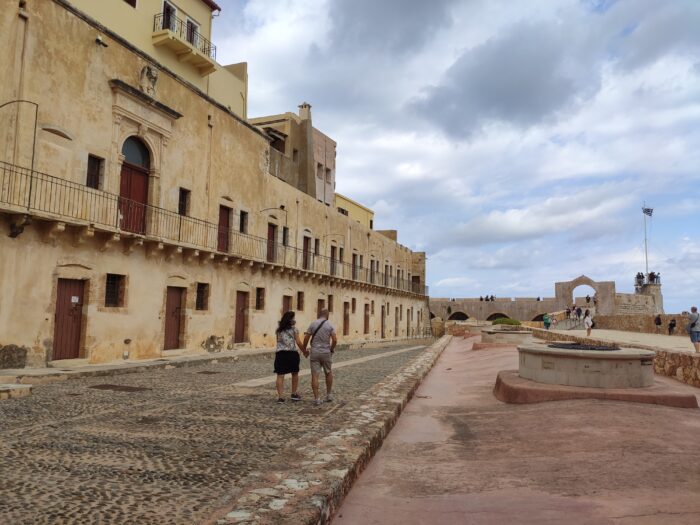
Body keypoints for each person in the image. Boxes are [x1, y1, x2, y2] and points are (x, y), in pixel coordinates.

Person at [303, 309, 338, 405]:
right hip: (326, 352)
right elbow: (334, 340)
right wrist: (331, 349)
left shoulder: (313, 324)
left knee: (315, 375)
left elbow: (306, 338)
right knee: (328, 372)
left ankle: (317, 398)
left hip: (314, 352)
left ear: (319, 315)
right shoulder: (330, 325)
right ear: (327, 316)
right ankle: (329, 395)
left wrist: (304, 349)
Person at [273, 311, 307, 404]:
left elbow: (278, 341)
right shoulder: (294, 330)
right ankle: (294, 393)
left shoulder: (278, 330)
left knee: (280, 375)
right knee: (294, 373)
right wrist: (305, 351)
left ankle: (280, 397)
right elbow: (299, 342)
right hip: (292, 354)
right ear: (290, 320)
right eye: (293, 318)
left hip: (280, 354)